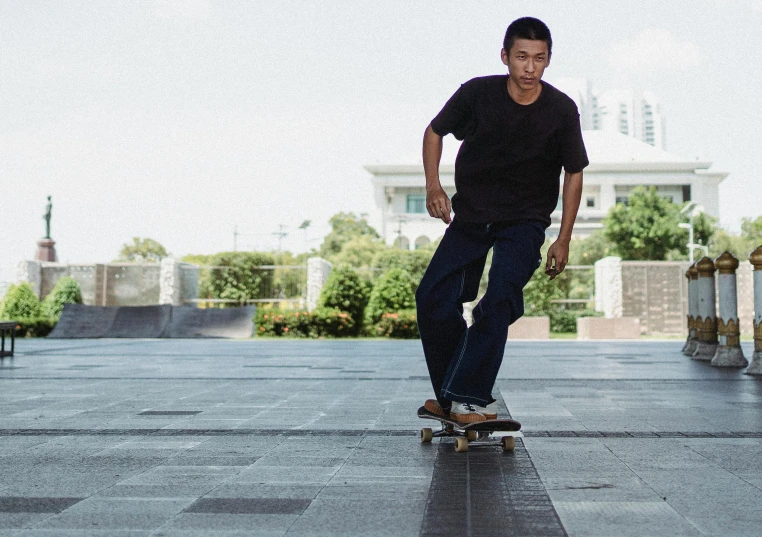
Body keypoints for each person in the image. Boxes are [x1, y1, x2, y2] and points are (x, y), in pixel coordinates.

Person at [416, 17, 588, 423]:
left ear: (548, 60)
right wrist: (432, 187)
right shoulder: (477, 93)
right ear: (505, 56)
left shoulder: (561, 110)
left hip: (524, 223)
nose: (530, 68)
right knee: (433, 297)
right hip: (472, 217)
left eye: (539, 59)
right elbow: (434, 131)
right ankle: (453, 396)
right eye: (522, 57)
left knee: (499, 299)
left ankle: (469, 398)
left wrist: (563, 238)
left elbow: (575, 171)